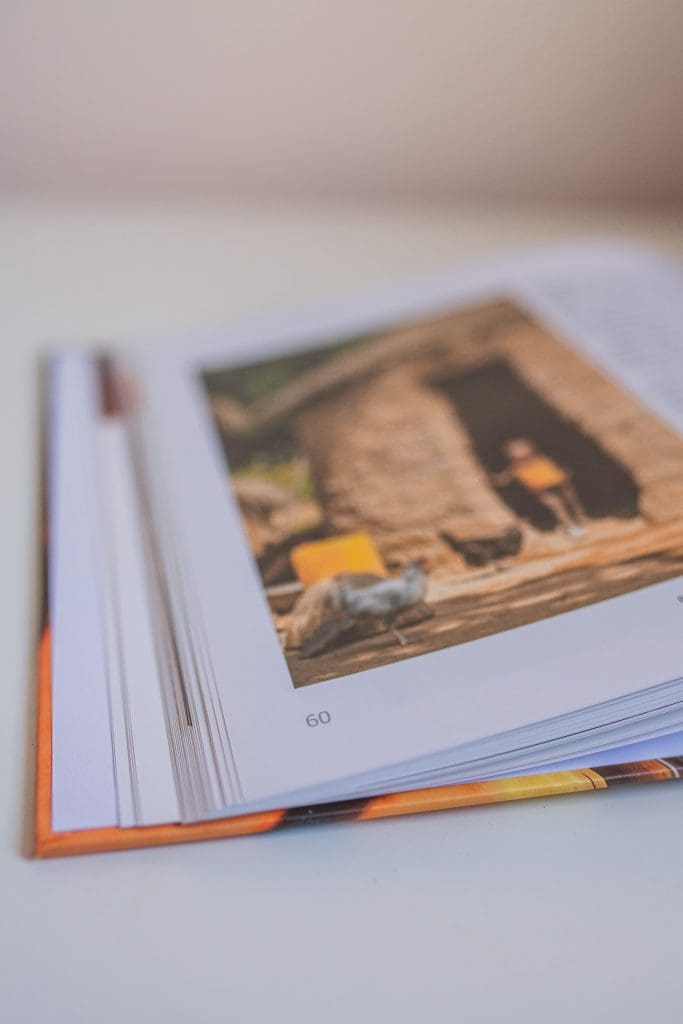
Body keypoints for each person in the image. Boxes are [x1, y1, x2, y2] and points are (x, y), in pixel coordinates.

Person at [491, 437, 586, 537]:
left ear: (530, 447)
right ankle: (570, 525)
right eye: (515, 449)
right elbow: (505, 478)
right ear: (509, 454)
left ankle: (580, 518)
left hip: (559, 482)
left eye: (522, 447)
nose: (520, 451)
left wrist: (565, 472)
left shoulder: (541, 457)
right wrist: (496, 480)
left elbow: (556, 466)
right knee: (557, 506)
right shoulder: (515, 467)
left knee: (571, 501)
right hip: (541, 489)